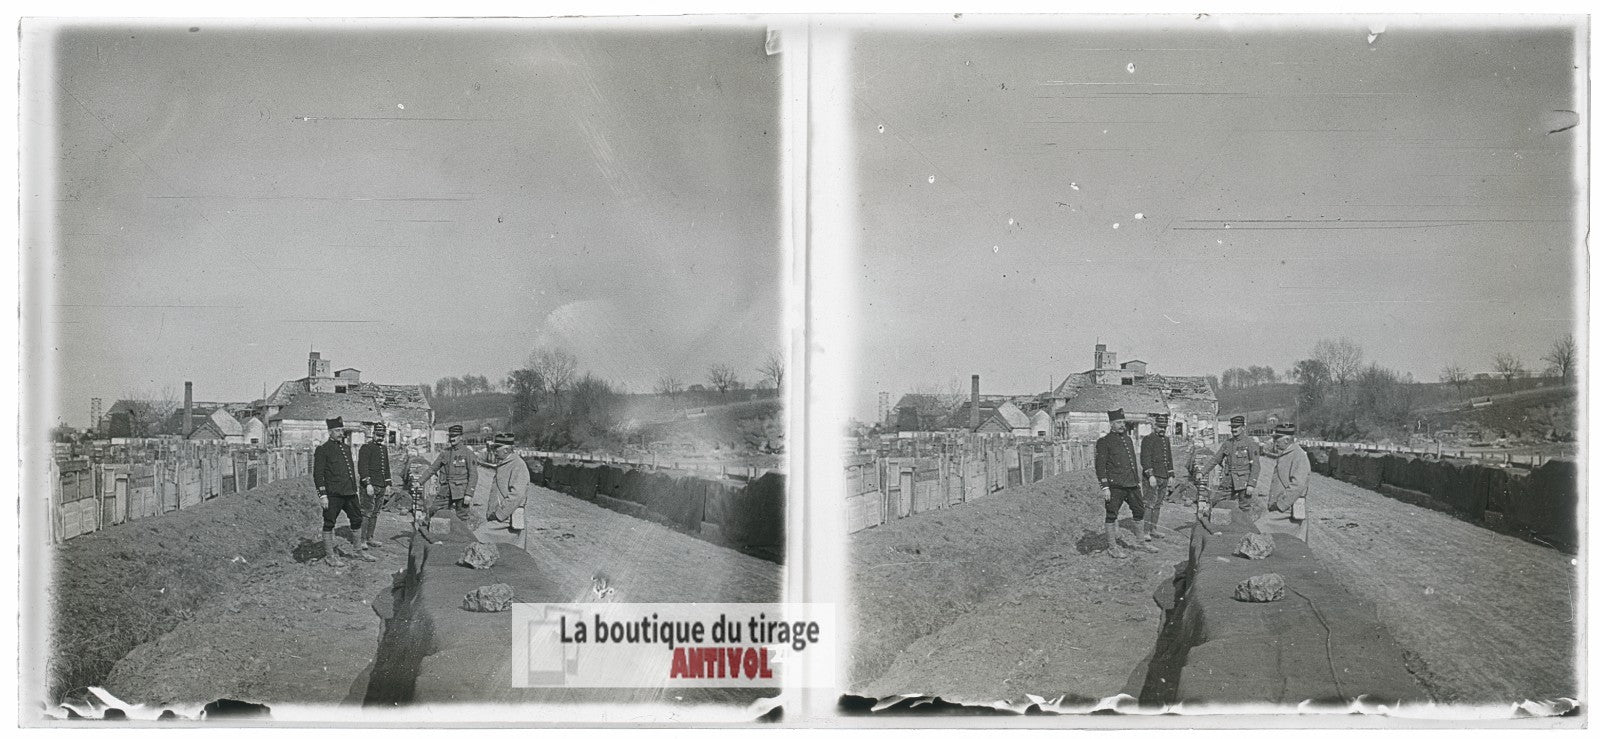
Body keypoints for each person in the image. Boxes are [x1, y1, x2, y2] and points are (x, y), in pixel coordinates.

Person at [1095, 408, 1159, 558]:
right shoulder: (1104, 442)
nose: (1122, 425)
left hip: (1131, 484)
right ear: (1111, 424)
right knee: (1111, 515)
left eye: (1123, 422)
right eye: (1118, 422)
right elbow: (1100, 466)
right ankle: (1112, 547)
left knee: (1139, 511)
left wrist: (1137, 481)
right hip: (1115, 485)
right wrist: (1105, 487)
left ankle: (1141, 542)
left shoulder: (1128, 439)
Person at [313, 417, 375, 565]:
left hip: (350, 493)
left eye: (341, 430)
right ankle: (330, 557)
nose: (340, 433)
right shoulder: (323, 450)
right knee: (329, 523)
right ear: (330, 432)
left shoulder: (346, 448)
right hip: (333, 494)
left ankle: (358, 551)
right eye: (337, 431)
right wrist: (323, 495)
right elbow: (318, 474)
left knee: (357, 519)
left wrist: (355, 490)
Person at [1198, 415, 1263, 520]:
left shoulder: (1250, 443)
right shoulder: (1227, 443)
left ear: (1243, 427)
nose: (1233, 429)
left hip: (1244, 482)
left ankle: (1244, 530)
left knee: (1244, 508)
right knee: (1219, 502)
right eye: (1232, 427)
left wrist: (1251, 484)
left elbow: (1256, 465)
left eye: (1236, 427)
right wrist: (1202, 472)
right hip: (1229, 481)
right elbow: (1215, 459)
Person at [417, 424, 479, 526]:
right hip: (445, 490)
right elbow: (432, 468)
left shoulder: (468, 453)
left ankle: (462, 539)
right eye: (450, 436)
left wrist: (469, 494)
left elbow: (473, 475)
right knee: (434, 510)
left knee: (462, 518)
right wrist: (420, 482)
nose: (452, 439)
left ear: (461, 437)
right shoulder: (445, 453)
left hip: (461, 492)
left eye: (454, 436)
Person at [1265, 423, 1311, 539]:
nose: (1275, 441)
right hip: (1283, 508)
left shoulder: (1298, 455)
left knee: (1260, 528)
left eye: (1277, 438)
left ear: (1286, 440)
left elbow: (1298, 485)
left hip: (1288, 509)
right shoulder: (1287, 453)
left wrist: (1281, 504)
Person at [1139, 412, 1176, 542]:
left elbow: (1169, 458)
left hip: (1164, 477)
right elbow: (1145, 459)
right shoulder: (1148, 439)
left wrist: (1171, 475)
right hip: (1153, 478)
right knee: (1149, 504)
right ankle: (1145, 532)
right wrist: (1150, 475)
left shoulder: (1166, 440)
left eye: (1164, 427)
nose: (1162, 429)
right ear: (1154, 426)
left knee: (1158, 504)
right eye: (1160, 427)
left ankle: (1153, 529)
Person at [358, 421, 394, 548]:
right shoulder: (366, 448)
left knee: (375, 512)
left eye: (382, 435)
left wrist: (388, 484)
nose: (380, 438)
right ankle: (361, 540)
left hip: (381, 485)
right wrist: (367, 484)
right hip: (370, 486)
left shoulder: (383, 448)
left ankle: (370, 538)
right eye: (378, 435)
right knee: (366, 512)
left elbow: (386, 467)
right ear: (373, 434)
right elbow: (362, 467)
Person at [484, 432, 531, 526]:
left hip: (507, 520)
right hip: (500, 518)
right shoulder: (505, 463)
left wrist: (500, 514)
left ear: (506, 450)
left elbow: (517, 494)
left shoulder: (518, 465)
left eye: (496, 448)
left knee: (479, 537)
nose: (494, 451)